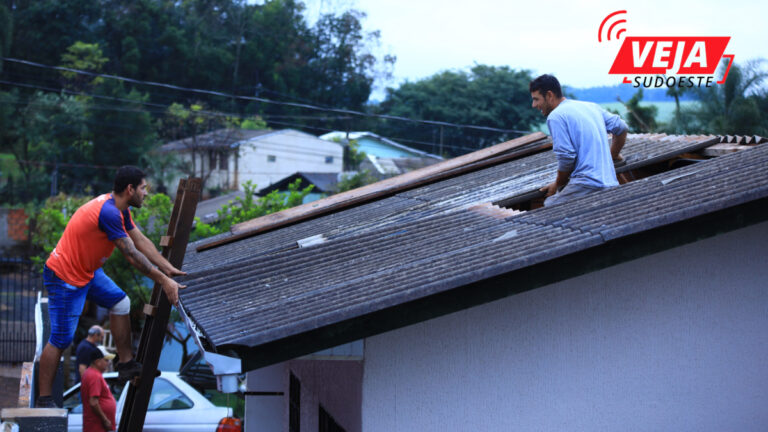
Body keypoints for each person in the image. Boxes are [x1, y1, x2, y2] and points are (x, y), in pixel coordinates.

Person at [36, 166, 186, 408]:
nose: (146, 193)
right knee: (61, 339)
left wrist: (168, 269)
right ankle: (44, 399)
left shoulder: (120, 208)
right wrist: (164, 281)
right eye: (143, 188)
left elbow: (140, 241)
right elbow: (132, 255)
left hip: (87, 271)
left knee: (121, 303)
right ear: (130, 189)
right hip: (64, 277)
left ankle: (126, 363)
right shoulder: (108, 212)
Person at [529, 74, 629, 206]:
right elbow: (622, 127)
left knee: (549, 207)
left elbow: (566, 158)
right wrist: (613, 155)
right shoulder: (590, 107)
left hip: (586, 185)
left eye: (536, 99)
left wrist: (558, 185)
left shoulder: (555, 117)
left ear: (549, 95)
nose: (533, 105)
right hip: (610, 182)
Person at [81, 345, 117, 432]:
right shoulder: (94, 376)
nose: (108, 363)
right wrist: (105, 420)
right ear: (97, 361)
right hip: (97, 426)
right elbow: (93, 402)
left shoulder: (91, 373)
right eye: (106, 360)